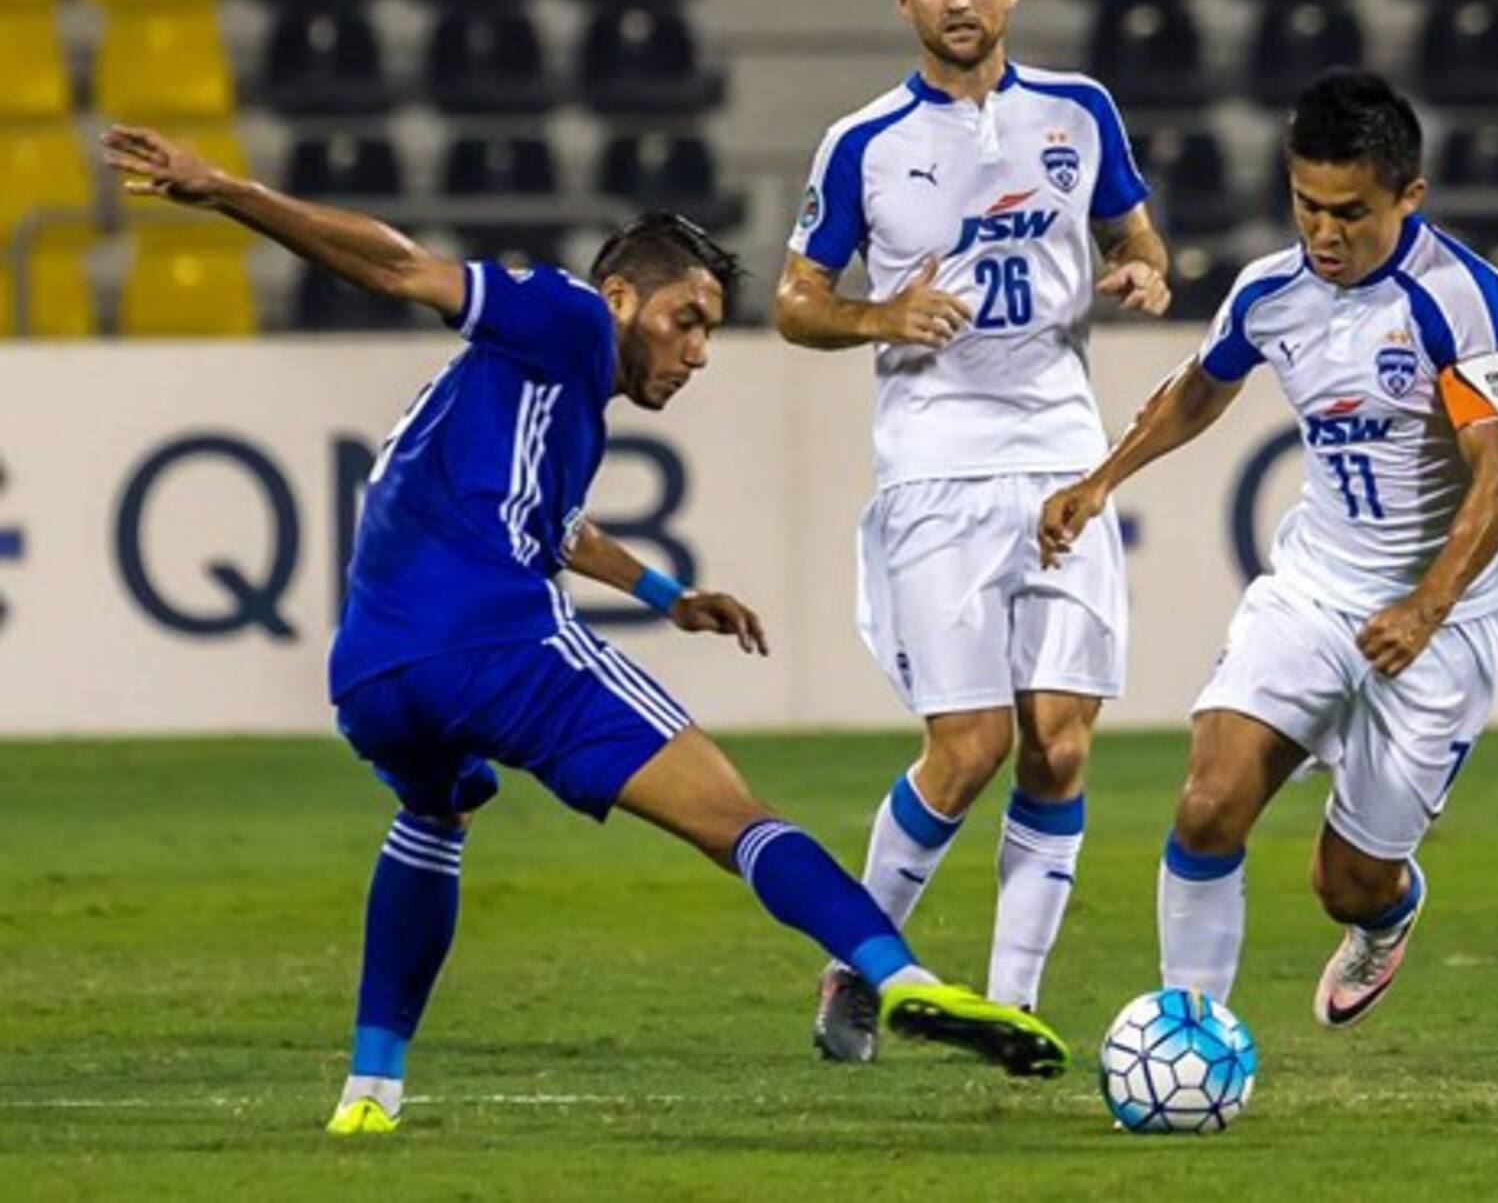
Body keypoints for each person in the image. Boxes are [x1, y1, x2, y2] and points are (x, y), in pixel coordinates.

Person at [99, 124, 1072, 1135]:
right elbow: (399, 267)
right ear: (620, 299)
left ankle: (369, 1092)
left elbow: (557, 529)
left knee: (432, 820)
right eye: (685, 319)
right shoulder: (564, 312)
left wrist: (667, 597)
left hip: (374, 671)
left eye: (708, 330)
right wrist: (230, 193)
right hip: (493, 640)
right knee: (736, 818)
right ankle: (896, 975)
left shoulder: (533, 399)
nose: (697, 350)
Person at [1037, 69, 1498, 1028]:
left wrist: (1426, 605)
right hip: (1316, 587)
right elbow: (1200, 386)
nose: (1323, 233)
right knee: (1207, 802)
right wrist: (1101, 479)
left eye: (1350, 212)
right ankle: (1192, 1034)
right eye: (1307, 205)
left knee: (1347, 882)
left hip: (1444, 616)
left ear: (1408, 198)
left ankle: (1386, 916)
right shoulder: (1272, 291)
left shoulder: (1459, 299)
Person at [775, 0, 1171, 1059]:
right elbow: (794, 303)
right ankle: (857, 963)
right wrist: (881, 311)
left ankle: (1013, 1004)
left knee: (1058, 739)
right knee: (969, 748)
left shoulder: (1078, 110)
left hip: (1061, 452)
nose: (958, 1)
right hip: (936, 466)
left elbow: (1136, 234)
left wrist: (1143, 270)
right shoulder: (860, 143)